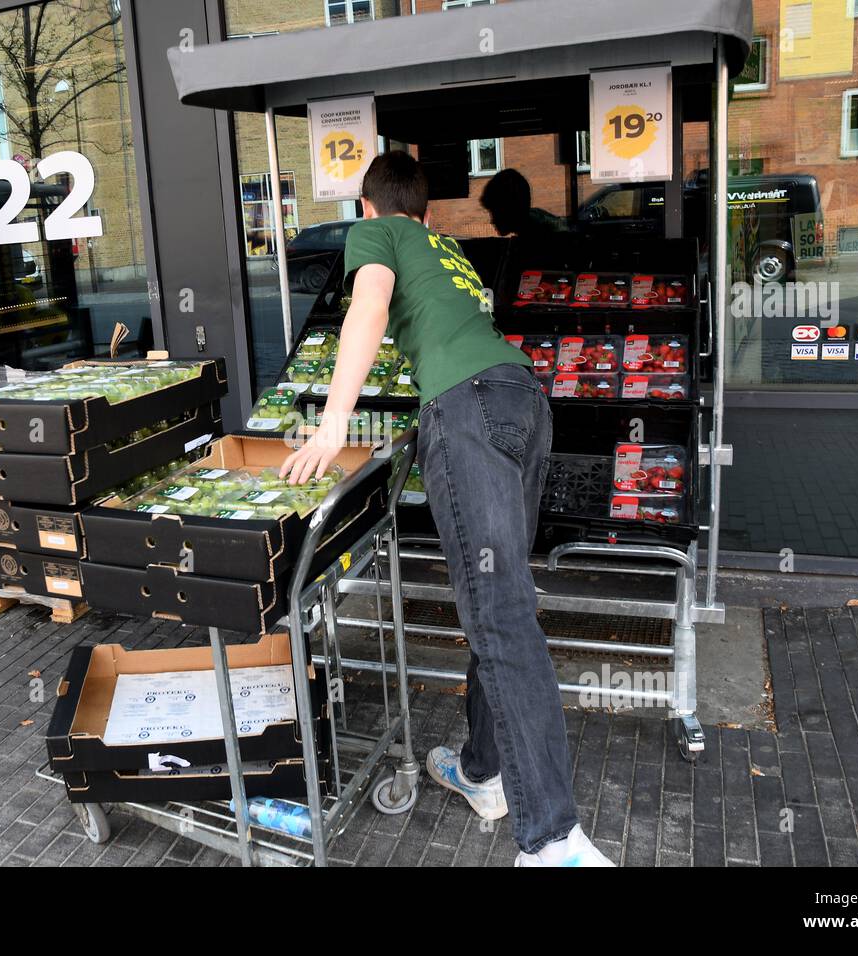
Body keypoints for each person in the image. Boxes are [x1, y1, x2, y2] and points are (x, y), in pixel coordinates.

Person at [279, 151, 613, 867]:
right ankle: (485, 772)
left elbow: (369, 303)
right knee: (501, 602)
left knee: (498, 615)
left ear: (368, 209)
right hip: (523, 400)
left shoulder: (377, 234)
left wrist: (336, 419)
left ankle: (554, 840)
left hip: (467, 412)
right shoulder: (446, 247)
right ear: (430, 213)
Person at [479, 167, 563, 240]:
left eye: (494, 212)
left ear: (508, 210)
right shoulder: (536, 228)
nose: (492, 221)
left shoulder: (536, 243)